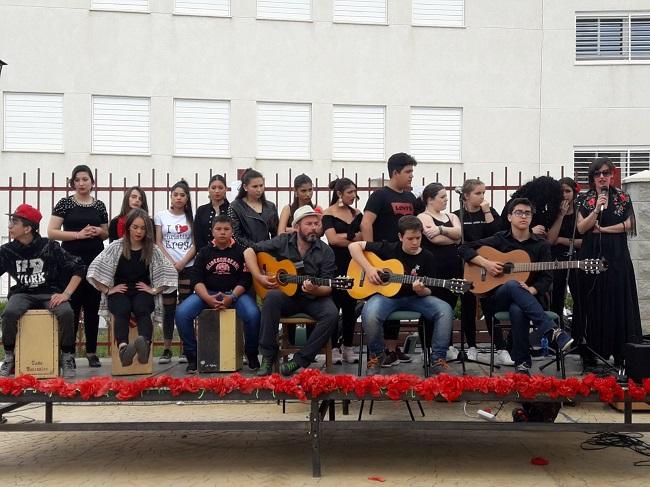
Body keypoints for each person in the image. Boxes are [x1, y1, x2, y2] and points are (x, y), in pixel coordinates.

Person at [458, 198, 574, 375]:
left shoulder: (541, 245)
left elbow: (547, 277)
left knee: (518, 308)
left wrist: (532, 290)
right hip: (499, 297)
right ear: (510, 217)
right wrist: (486, 264)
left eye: (527, 213)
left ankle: (522, 364)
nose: (524, 216)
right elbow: (464, 248)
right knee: (512, 284)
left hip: (531, 299)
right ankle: (551, 330)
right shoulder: (499, 239)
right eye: (519, 212)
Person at [349, 216, 454, 375]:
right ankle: (377, 356)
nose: (414, 242)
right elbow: (354, 246)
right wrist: (369, 269)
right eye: (410, 238)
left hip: (416, 298)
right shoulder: (388, 248)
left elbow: (430, 290)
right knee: (369, 313)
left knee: (445, 310)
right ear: (400, 236)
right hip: (386, 297)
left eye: (418, 238)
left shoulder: (427, 257)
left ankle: (438, 359)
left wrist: (421, 290)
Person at [244, 205, 339, 377]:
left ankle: (300, 359)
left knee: (331, 313)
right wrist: (259, 277)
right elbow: (249, 251)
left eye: (316, 224)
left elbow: (328, 287)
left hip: (313, 298)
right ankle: (267, 356)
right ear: (297, 227)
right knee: (271, 298)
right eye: (309, 224)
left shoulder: (326, 251)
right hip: (287, 297)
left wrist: (315, 289)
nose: (314, 228)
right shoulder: (282, 242)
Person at [0, 204, 85, 378]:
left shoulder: (49, 247)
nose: (9, 226)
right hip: (22, 293)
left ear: (27, 228)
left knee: (66, 312)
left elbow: (79, 268)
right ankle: (9, 355)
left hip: (50, 292)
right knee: (9, 312)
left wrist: (66, 294)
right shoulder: (7, 251)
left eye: (14, 222)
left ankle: (67, 355)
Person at [87, 208, 177, 367]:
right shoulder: (116, 246)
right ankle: (124, 350)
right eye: (135, 227)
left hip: (142, 289)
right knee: (121, 309)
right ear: (128, 227)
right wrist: (108, 290)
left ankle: (145, 347)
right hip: (120, 289)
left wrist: (154, 290)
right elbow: (93, 270)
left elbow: (170, 272)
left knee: (142, 308)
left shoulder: (152, 249)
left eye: (143, 228)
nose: (139, 231)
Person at [575, 157, 641, 368]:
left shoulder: (623, 197)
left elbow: (630, 224)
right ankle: (592, 352)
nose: (602, 177)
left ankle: (621, 351)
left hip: (617, 255)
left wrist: (605, 230)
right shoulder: (584, 200)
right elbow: (582, 229)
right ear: (592, 178)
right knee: (593, 301)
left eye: (605, 173)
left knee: (618, 301)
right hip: (591, 255)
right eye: (597, 174)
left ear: (612, 175)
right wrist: (596, 211)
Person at [175, 215, 261, 373]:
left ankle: (251, 353)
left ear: (232, 232)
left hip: (235, 295)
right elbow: (196, 279)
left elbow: (245, 280)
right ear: (212, 231)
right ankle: (193, 356)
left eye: (226, 229)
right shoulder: (204, 253)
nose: (222, 232)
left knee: (253, 314)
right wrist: (207, 297)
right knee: (182, 313)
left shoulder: (241, 252)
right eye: (219, 229)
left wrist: (232, 297)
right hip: (208, 293)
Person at [360, 152, 418, 368]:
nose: (412, 175)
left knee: (397, 301)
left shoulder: (411, 198)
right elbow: (366, 224)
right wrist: (371, 257)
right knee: (379, 306)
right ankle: (379, 352)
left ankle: (392, 350)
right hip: (381, 261)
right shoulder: (379, 196)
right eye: (408, 171)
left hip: (403, 261)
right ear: (395, 172)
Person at [48, 164, 108, 368]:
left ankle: (92, 352)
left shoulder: (99, 205)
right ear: (72, 183)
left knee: (92, 308)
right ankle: (69, 353)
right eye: (78, 180)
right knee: (71, 308)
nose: (82, 183)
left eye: (85, 179)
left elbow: (106, 232)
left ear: (92, 182)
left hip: (94, 261)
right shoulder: (65, 204)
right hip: (70, 262)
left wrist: (97, 232)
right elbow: (52, 232)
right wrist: (77, 235)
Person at [452, 179, 511, 365]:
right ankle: (471, 347)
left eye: (484, 193)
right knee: (468, 306)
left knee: (490, 306)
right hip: (468, 265)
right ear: (466, 196)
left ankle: (500, 348)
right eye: (478, 193)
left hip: (489, 263)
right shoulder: (457, 215)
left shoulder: (489, 213)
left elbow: (497, 234)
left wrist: (486, 211)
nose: (482, 197)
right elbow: (459, 242)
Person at [154, 179, 196, 364]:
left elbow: (196, 244)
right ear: (171, 196)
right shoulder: (161, 216)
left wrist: (183, 262)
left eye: (182, 195)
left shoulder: (191, 218)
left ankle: (186, 349)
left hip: (188, 267)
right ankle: (167, 348)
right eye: (175, 194)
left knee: (185, 307)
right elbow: (158, 241)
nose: (179, 198)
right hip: (167, 268)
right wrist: (171, 262)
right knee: (168, 308)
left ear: (187, 198)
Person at [322, 177, 363, 365]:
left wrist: (347, 239)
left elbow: (363, 236)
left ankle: (348, 346)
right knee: (333, 305)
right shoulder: (328, 213)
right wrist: (352, 241)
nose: (354, 196)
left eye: (355, 192)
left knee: (350, 306)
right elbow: (332, 240)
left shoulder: (357, 213)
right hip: (335, 263)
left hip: (353, 263)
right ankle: (332, 348)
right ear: (339, 194)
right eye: (350, 192)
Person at [546, 177, 583, 337]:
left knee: (579, 298)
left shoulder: (580, 213)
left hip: (576, 258)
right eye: (561, 191)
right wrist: (561, 215)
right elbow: (550, 240)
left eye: (568, 191)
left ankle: (578, 336)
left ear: (574, 193)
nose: (564, 195)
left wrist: (563, 240)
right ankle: (556, 337)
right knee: (556, 298)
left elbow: (584, 242)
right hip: (557, 260)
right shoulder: (553, 212)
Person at [228, 168, 279, 248]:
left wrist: (270, 248)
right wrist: (255, 247)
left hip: (267, 253)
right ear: (245, 187)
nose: (259, 190)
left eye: (261, 185)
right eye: (255, 186)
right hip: (244, 253)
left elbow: (276, 234)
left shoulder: (270, 206)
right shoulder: (235, 206)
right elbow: (235, 236)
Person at [194, 175, 230, 251]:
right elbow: (197, 236)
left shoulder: (232, 209)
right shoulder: (201, 210)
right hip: (205, 254)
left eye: (220, 188)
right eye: (213, 188)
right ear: (208, 189)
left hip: (230, 253)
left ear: (226, 189)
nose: (217, 191)